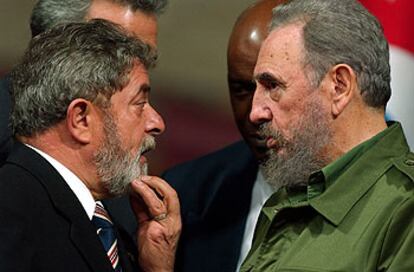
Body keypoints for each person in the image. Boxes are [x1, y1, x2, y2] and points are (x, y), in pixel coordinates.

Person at [240, 0, 414, 271]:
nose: (255, 112)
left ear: (339, 86)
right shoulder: (290, 198)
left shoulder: (404, 210)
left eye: (272, 85)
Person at [0, 19, 181, 272]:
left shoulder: (108, 225)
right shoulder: (10, 213)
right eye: (140, 103)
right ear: (81, 119)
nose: (157, 123)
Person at [162, 1, 285, 271]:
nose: (255, 112)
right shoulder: (187, 194)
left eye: (273, 87)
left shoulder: (386, 205)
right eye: (241, 89)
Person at [0, 0, 167, 166]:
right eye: (112, 49)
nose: (134, 66)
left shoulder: (113, 165)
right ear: (53, 49)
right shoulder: (8, 144)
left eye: (143, 57)